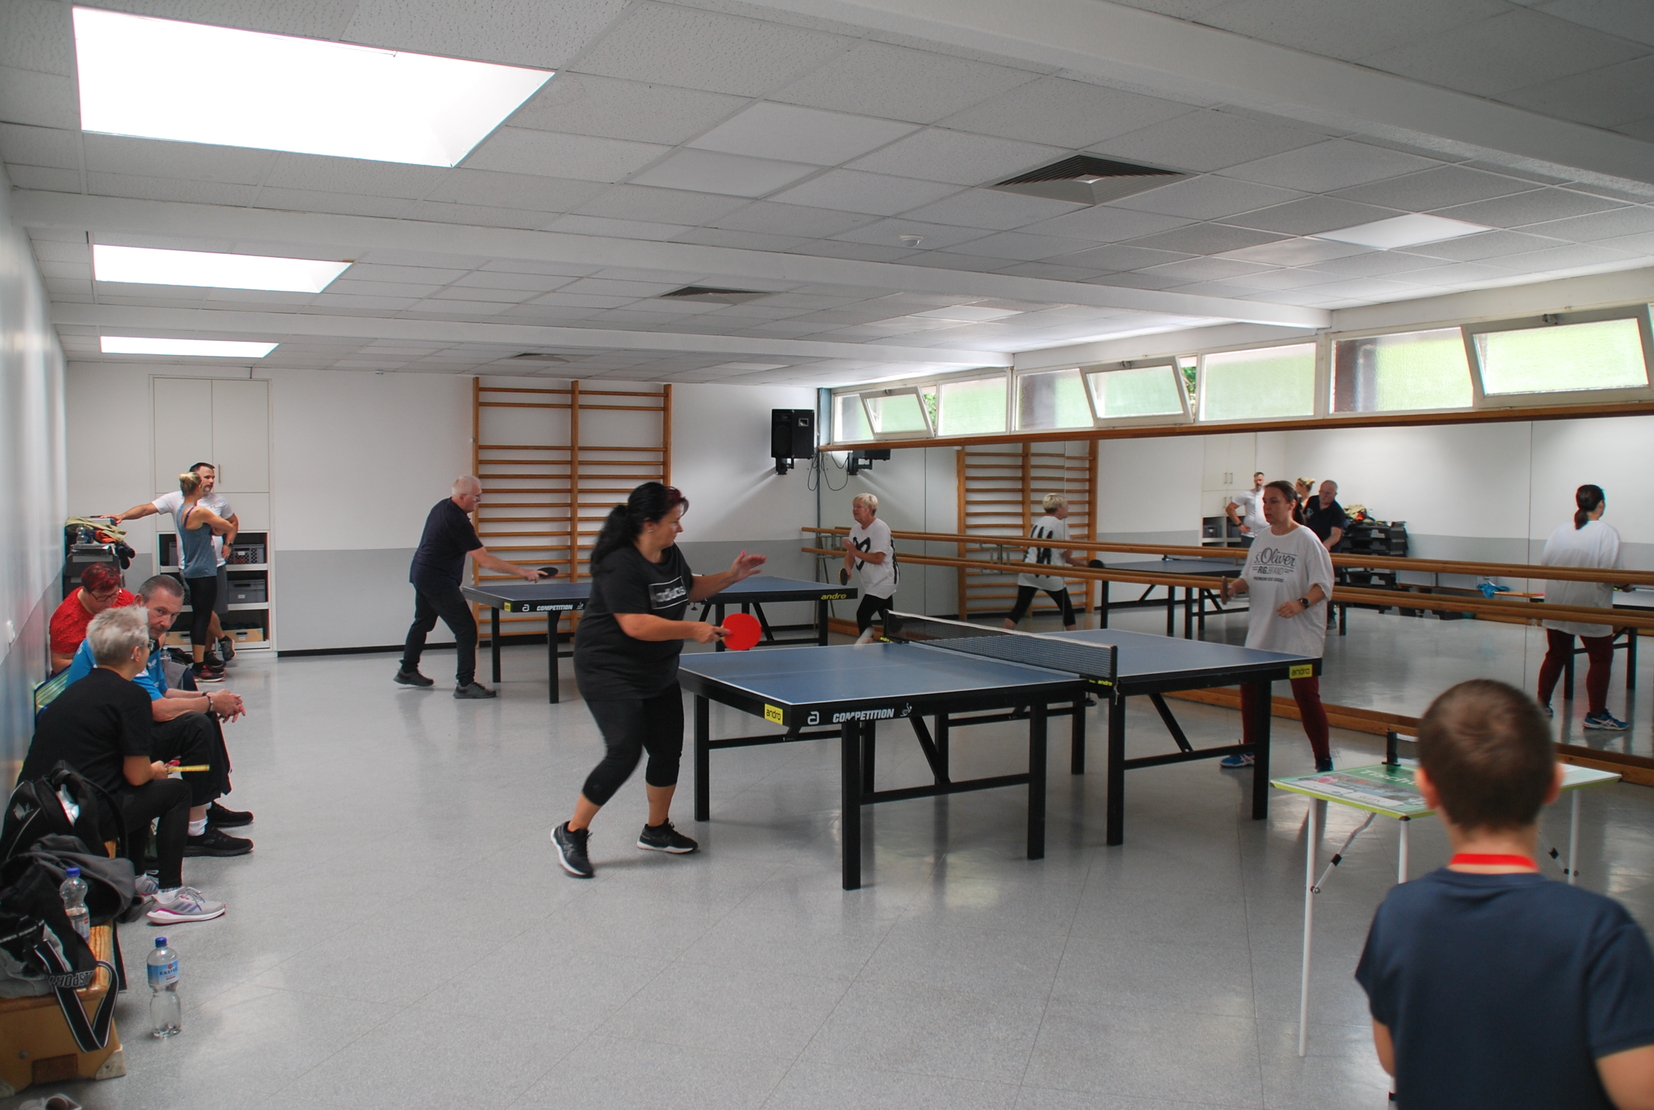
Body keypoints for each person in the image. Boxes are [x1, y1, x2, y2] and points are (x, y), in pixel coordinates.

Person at [1355, 679, 1654, 1109]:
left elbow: (1393, 1057)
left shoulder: (1399, 914)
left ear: (1427, 788)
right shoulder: (1601, 931)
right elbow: (1640, 1092)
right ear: (1553, 784)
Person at [551, 482, 766, 879]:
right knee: (624, 751)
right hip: (608, 669)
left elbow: (688, 587)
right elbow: (634, 624)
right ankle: (572, 831)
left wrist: (731, 576)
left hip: (656, 668)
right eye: (674, 522)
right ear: (649, 524)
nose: (679, 529)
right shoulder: (620, 562)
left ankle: (656, 830)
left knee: (667, 749)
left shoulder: (669, 554)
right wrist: (692, 630)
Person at [22, 607, 226, 923]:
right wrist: (156, 770)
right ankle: (170, 895)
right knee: (175, 791)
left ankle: (136, 878)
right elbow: (137, 774)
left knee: (138, 792)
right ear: (135, 653)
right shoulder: (131, 697)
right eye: (148, 646)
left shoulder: (74, 689)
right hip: (81, 818)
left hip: (48, 810)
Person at [63, 575, 253, 856]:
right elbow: (157, 709)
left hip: (121, 727)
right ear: (139, 602)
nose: (165, 622)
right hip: (101, 746)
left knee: (203, 711)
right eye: (160, 611)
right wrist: (211, 701)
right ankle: (195, 831)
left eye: (173, 615)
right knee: (196, 723)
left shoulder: (148, 637)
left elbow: (161, 692)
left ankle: (206, 806)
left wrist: (213, 699)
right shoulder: (124, 640)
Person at [1218, 480, 1335, 772]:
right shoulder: (1261, 539)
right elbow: (1249, 577)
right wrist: (1233, 588)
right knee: (1251, 691)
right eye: (1265, 502)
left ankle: (1323, 758)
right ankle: (1250, 749)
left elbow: (1323, 586)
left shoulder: (1307, 540)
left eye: (1274, 502)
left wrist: (1301, 604)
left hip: (1299, 637)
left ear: (1291, 504)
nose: (1267, 508)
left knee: (1306, 696)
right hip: (1262, 632)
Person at [397, 476, 548, 698]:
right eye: (476, 497)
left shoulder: (442, 505)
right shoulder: (457, 522)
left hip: (422, 573)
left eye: (480, 495)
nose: (479, 500)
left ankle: (407, 669)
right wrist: (523, 572)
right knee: (466, 630)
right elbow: (485, 561)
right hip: (436, 580)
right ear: (461, 497)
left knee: (423, 622)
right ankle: (465, 684)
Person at [112, 461, 239, 668]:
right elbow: (146, 509)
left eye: (213, 477)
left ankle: (208, 654)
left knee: (206, 611)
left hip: (213, 563)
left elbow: (232, 524)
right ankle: (212, 650)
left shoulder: (211, 503)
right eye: (207, 477)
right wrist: (123, 516)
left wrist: (228, 544)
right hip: (198, 567)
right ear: (195, 481)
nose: (211, 481)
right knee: (204, 613)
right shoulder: (183, 504)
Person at [1537, 484, 1628, 731]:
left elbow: (1545, 562)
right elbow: (1612, 572)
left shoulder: (1561, 530)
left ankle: (1540, 706)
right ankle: (1596, 713)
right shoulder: (1606, 532)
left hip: (1557, 602)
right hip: (1590, 603)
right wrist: (1626, 585)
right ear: (1601, 504)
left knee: (1555, 654)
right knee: (1601, 657)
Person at [172, 470, 235, 682]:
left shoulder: (183, 509)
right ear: (197, 488)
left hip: (192, 569)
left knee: (201, 616)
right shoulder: (199, 512)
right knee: (202, 618)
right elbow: (227, 526)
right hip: (204, 571)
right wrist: (214, 527)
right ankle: (199, 668)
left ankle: (200, 663)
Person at [1005, 493, 1089, 632]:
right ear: (1059, 508)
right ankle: (1076, 640)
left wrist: (1079, 563)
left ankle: (1002, 636)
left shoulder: (1038, 522)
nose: (1068, 508)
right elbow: (1067, 556)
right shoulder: (1060, 525)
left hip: (1028, 570)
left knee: (1019, 609)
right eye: (1066, 505)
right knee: (1067, 609)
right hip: (1048, 573)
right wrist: (1072, 545)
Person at [49, 563, 135, 673]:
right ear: (85, 591)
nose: (109, 603)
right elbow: (59, 664)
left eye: (113, 595)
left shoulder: (123, 599)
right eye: (101, 598)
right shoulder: (67, 619)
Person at [843, 492, 898, 637]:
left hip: (885, 579)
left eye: (859, 507)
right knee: (887, 615)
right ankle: (899, 641)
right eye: (854, 506)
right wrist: (848, 567)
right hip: (870, 580)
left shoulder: (880, 528)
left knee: (862, 614)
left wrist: (855, 551)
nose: (854, 509)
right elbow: (850, 554)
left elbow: (878, 558)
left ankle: (867, 646)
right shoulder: (855, 529)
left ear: (870, 509)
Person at [1300, 480, 1347, 552]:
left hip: (1327, 549)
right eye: (1322, 492)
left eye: (1328, 493)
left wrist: (1326, 544)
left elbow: (1336, 535)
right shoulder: (1312, 500)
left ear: (1335, 494)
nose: (1324, 495)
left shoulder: (1337, 511)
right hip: (1310, 543)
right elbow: (1303, 519)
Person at [1225, 471, 1267, 546]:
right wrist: (1239, 524)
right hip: (1250, 534)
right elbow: (1230, 508)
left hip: (1265, 533)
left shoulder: (1268, 494)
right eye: (1256, 480)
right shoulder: (1247, 494)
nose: (1258, 482)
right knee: (1246, 555)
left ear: (1263, 480)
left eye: (1260, 480)